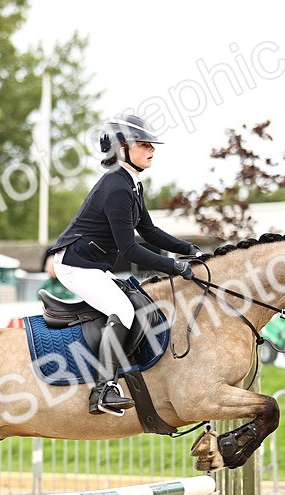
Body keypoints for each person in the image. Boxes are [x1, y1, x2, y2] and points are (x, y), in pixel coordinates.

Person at [48, 112, 204, 415]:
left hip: (91, 264)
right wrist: (174, 267)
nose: (152, 150)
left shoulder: (132, 184)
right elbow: (129, 249)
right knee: (122, 309)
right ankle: (102, 390)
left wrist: (189, 249)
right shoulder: (117, 187)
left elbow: (148, 231)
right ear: (122, 148)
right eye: (144, 144)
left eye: (151, 145)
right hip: (75, 264)